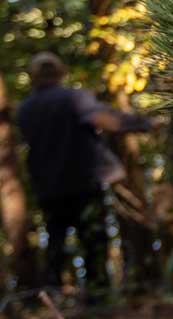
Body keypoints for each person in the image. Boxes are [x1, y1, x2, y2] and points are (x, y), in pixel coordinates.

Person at [15, 52, 152, 306]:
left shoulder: (25, 110)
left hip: (48, 190)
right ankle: (97, 297)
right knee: (93, 241)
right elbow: (106, 119)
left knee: (56, 242)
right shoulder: (72, 98)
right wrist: (144, 123)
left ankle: (53, 297)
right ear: (60, 72)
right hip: (82, 184)